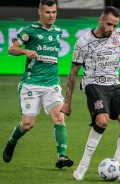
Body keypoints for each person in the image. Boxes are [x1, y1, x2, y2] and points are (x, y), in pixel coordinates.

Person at [60, 6, 120, 181]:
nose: (111, 29)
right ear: (100, 20)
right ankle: (83, 165)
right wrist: (67, 102)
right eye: (109, 24)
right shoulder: (83, 42)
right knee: (102, 120)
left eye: (115, 25)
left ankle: (116, 169)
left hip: (114, 85)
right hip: (93, 84)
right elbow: (73, 72)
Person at [3, 0, 73, 169]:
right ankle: (12, 142)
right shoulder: (29, 31)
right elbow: (11, 49)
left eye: (54, 12)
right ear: (39, 12)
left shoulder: (58, 31)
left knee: (59, 117)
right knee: (28, 124)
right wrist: (25, 51)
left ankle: (61, 156)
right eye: (48, 12)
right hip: (31, 84)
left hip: (51, 84)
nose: (52, 16)